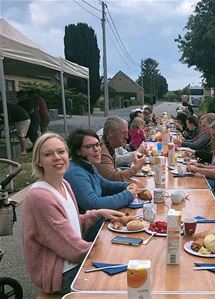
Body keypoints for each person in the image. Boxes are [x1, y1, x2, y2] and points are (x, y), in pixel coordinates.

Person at [22, 132, 124, 294]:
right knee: (120, 284)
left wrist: (97, 213)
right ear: (38, 161)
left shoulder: (64, 184)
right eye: (48, 154)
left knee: (132, 271)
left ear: (67, 155)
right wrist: (109, 252)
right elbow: (71, 247)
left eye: (61, 152)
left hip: (74, 261)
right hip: (61, 273)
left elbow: (72, 224)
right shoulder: (39, 196)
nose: (57, 157)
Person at [64, 129, 137, 213]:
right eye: (89, 146)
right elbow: (94, 205)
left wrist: (126, 185)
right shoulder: (75, 173)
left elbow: (105, 186)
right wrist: (128, 195)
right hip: (94, 225)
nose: (97, 149)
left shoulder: (88, 165)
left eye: (98, 145)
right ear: (78, 151)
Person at [96, 116, 145, 181]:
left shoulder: (109, 144)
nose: (127, 137)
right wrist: (137, 167)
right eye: (123, 133)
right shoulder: (101, 149)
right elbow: (113, 177)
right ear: (111, 133)